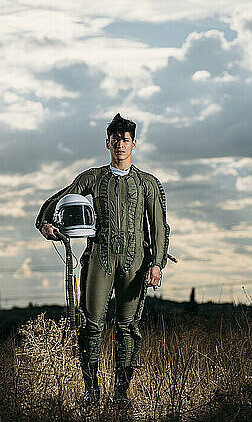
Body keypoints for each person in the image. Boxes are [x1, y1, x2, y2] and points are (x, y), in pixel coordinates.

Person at [35, 113, 170, 407]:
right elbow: (59, 200)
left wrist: (157, 263)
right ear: (107, 143)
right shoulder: (92, 178)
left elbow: (159, 226)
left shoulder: (148, 183)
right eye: (115, 139)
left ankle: (121, 394)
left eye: (125, 140)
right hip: (99, 256)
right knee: (91, 325)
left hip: (135, 262)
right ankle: (91, 391)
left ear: (134, 144)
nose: (120, 145)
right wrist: (46, 223)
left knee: (127, 327)